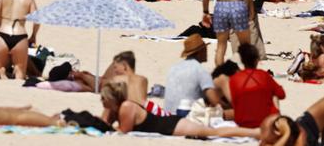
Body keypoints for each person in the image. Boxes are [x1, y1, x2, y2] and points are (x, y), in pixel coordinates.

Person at [101, 82, 257, 138]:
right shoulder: (120, 107)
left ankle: (254, 133)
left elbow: (122, 131)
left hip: (173, 125)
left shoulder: (126, 107)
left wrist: (108, 116)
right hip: (170, 124)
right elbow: (104, 124)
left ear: (112, 99)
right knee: (213, 130)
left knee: (214, 132)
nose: (101, 101)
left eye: (104, 99)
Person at [229, 43, 285, 128]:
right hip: (266, 122)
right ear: (257, 60)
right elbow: (282, 95)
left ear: (242, 60)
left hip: (242, 122)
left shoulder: (234, 79)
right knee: (274, 95)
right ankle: (276, 120)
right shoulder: (264, 75)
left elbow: (234, 102)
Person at [164, 34, 221, 115]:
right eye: (205, 49)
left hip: (167, 117)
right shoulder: (200, 70)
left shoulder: (173, 68)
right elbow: (215, 101)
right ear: (200, 52)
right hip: (186, 118)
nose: (207, 51)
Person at [259, 97, 324, 146]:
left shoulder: (300, 131)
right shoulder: (300, 140)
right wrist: (287, 132)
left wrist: (287, 132)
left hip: (299, 132)